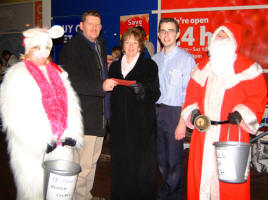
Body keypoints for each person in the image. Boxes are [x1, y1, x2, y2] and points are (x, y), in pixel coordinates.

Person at [175, 23, 267, 200]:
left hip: (231, 134)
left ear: (234, 41)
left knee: (229, 185)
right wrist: (193, 113)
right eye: (219, 36)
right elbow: (190, 96)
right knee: (201, 179)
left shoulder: (248, 69)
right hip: (203, 134)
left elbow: (258, 96)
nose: (221, 40)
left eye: (225, 36)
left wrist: (242, 112)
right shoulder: (202, 68)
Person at [0, 26, 83, 200]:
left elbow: (70, 106)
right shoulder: (16, 76)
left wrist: (71, 134)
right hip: (31, 151)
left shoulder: (58, 73)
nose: (43, 53)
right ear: (28, 49)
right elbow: (13, 117)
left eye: (47, 48)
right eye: (37, 48)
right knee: (34, 193)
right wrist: (40, 142)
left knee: (60, 194)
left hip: (60, 146)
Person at [103, 27, 160, 200]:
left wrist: (143, 91)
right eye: (127, 42)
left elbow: (156, 93)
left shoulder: (149, 65)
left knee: (142, 166)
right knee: (121, 164)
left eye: (135, 42)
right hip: (120, 124)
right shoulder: (114, 66)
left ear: (141, 45)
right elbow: (109, 94)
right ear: (122, 45)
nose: (131, 46)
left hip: (141, 125)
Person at [59, 9, 108, 200]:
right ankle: (80, 197)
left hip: (100, 115)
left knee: (92, 162)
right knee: (83, 165)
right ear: (81, 25)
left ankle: (85, 195)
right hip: (84, 116)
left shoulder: (99, 45)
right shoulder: (72, 48)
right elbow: (72, 82)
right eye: (90, 23)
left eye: (97, 24)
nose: (94, 27)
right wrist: (101, 86)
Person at [152, 18, 195, 200]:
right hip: (155, 112)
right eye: (163, 30)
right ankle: (167, 190)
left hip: (175, 113)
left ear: (178, 35)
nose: (166, 34)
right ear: (159, 35)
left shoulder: (186, 59)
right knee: (160, 158)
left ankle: (174, 195)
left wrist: (182, 123)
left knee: (174, 159)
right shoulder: (154, 59)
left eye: (170, 30)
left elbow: (190, 94)